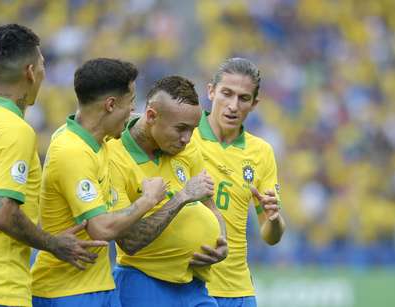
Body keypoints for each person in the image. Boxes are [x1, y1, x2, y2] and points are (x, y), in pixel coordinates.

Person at [0, 24, 103, 307]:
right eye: (42, 65)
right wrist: (52, 243)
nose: (43, 73)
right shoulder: (16, 130)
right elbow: (3, 214)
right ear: (30, 71)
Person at [30, 58, 167, 307]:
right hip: (67, 293)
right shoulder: (72, 151)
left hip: (97, 287)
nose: (133, 109)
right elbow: (100, 229)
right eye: (130, 101)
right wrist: (148, 199)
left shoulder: (101, 140)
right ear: (111, 104)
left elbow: (139, 123)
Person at [109, 75, 228, 307]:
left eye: (193, 130)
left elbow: (209, 205)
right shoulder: (114, 155)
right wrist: (182, 197)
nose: (187, 139)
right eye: (181, 129)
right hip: (143, 283)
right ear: (152, 116)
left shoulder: (186, 147)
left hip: (194, 285)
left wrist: (222, 241)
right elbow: (129, 241)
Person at [192, 57, 286, 307]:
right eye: (227, 93)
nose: (233, 106)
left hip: (237, 290)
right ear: (211, 91)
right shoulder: (185, 137)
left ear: (254, 104)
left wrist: (274, 219)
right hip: (189, 285)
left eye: (243, 98)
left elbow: (270, 236)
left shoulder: (261, 152)